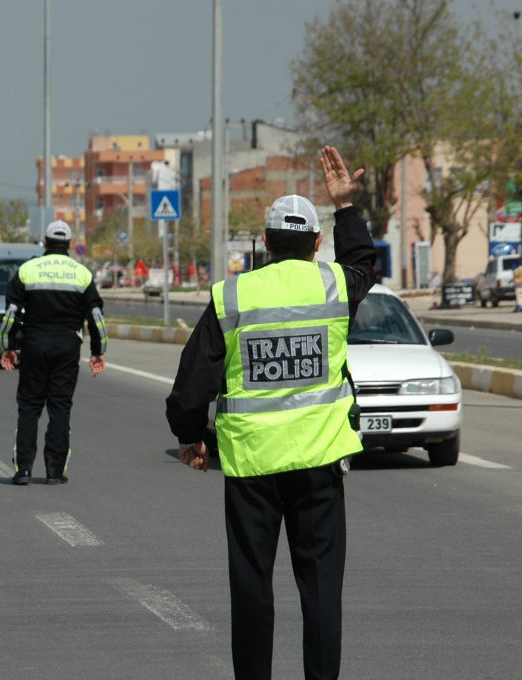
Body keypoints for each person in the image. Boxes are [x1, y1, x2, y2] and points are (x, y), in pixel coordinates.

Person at [165, 146, 379, 680]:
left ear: (264, 243)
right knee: (322, 588)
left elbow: (191, 387)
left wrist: (193, 438)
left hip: (251, 467)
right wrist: (346, 208)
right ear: (314, 244)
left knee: (253, 587)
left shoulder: (232, 296)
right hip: (319, 464)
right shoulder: (332, 285)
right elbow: (364, 264)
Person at [0, 220, 107, 485]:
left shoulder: (27, 270)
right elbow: (96, 317)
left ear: (45, 243)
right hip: (68, 345)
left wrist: (8, 347)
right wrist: (97, 351)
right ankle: (55, 472)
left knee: (29, 407)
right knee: (60, 407)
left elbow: (11, 315)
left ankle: (23, 469)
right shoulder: (81, 273)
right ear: (69, 244)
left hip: (34, 343)